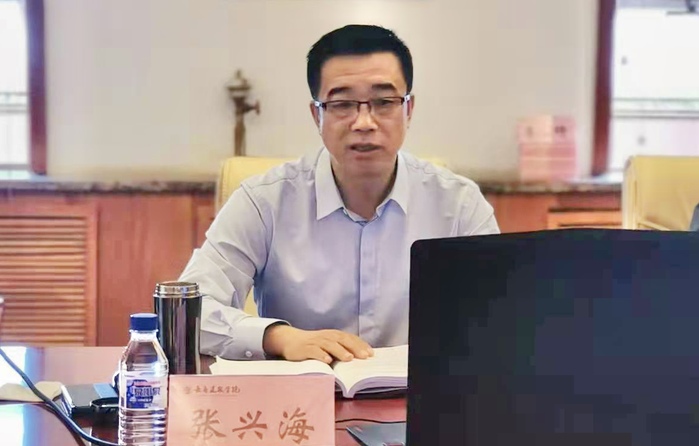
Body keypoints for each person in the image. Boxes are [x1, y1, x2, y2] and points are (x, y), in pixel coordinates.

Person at [179, 24, 500, 364]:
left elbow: (500, 316)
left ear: (408, 109)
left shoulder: (459, 205)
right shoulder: (263, 202)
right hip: (303, 393)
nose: (364, 122)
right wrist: (278, 337)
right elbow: (190, 312)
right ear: (316, 114)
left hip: (423, 393)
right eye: (342, 104)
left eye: (384, 102)